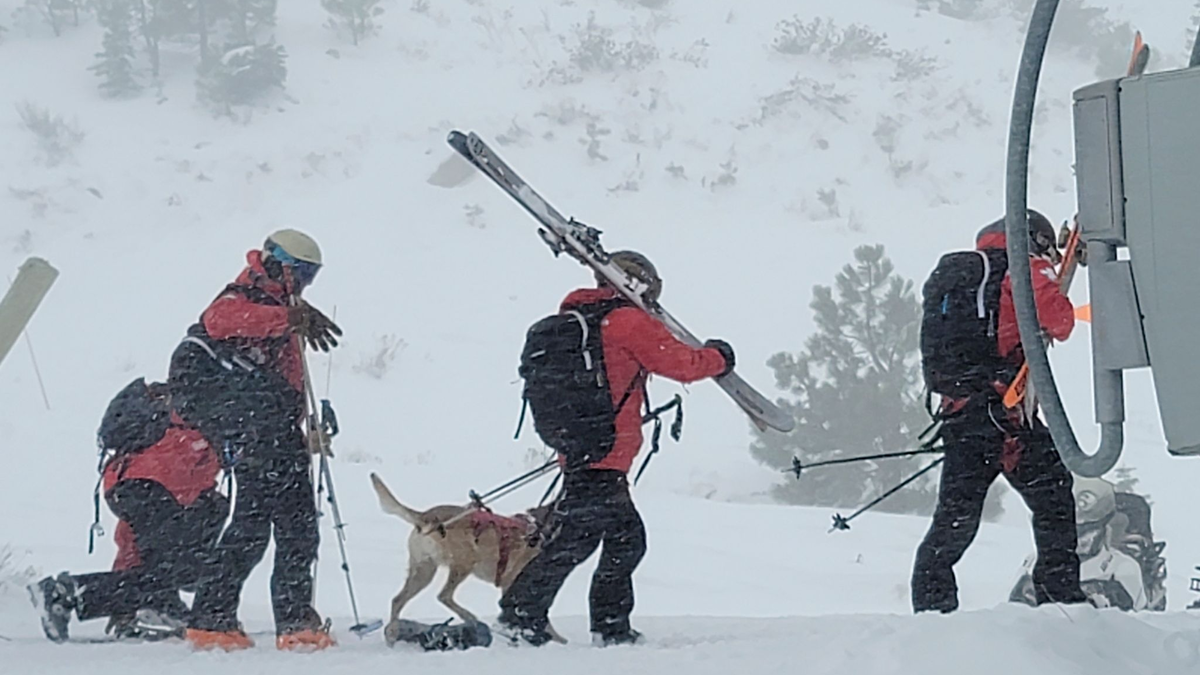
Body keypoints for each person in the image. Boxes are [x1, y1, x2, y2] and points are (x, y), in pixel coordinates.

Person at [497, 250, 736, 647]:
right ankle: (594, 626)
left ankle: (530, 615)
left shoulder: (580, 321)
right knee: (624, 539)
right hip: (605, 454)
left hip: (580, 450)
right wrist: (720, 357)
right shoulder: (625, 321)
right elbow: (682, 363)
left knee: (579, 539)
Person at [167, 229, 341, 651]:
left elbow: (286, 378)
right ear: (278, 264)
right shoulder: (245, 296)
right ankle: (285, 621)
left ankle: (217, 618)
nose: (303, 284)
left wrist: (302, 424)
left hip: (266, 429)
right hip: (254, 430)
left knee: (265, 525)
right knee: (281, 525)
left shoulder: (279, 306)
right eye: (301, 273)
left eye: (311, 277)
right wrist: (289, 317)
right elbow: (219, 320)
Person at [911, 211, 1086, 614]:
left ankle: (932, 609)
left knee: (956, 517)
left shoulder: (966, 277)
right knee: (1054, 495)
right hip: (1003, 414)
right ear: (1034, 240)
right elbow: (1058, 320)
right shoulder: (1021, 268)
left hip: (964, 413)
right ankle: (1060, 595)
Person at [29, 378, 228, 643]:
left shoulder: (178, 411)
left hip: (127, 482)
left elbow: (132, 543)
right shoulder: (216, 411)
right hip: (159, 485)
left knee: (163, 561)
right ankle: (68, 593)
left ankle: (147, 607)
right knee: (180, 566)